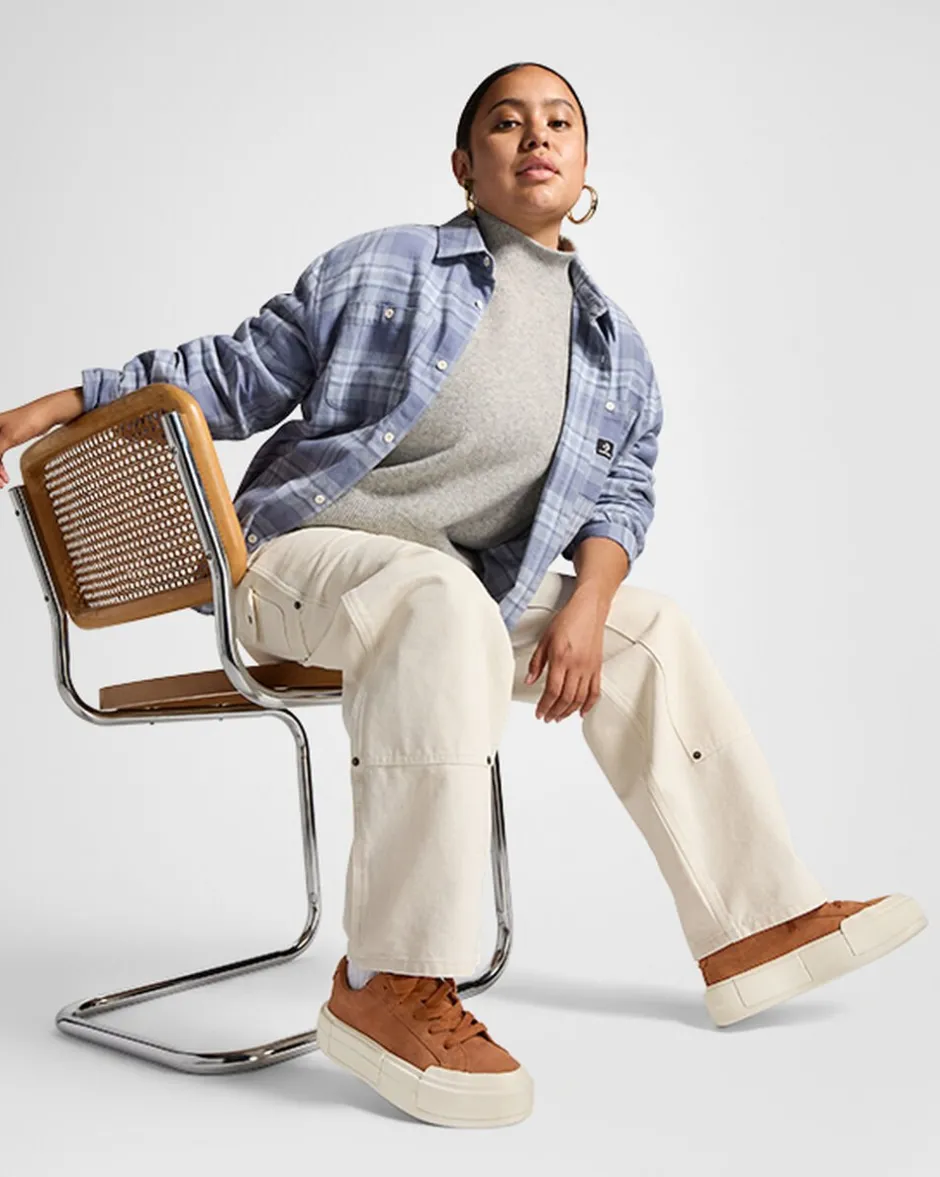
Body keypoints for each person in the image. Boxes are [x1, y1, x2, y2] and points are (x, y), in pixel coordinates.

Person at [0, 61, 927, 1130]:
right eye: (505, 122)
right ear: (464, 163)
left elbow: (622, 496)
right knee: (434, 596)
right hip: (299, 567)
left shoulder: (615, 349)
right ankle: (387, 979)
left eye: (558, 121)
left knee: (647, 629)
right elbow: (233, 373)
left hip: (454, 597)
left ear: (583, 164)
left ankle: (754, 925)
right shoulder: (381, 266)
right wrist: (55, 403)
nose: (536, 136)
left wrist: (586, 605)